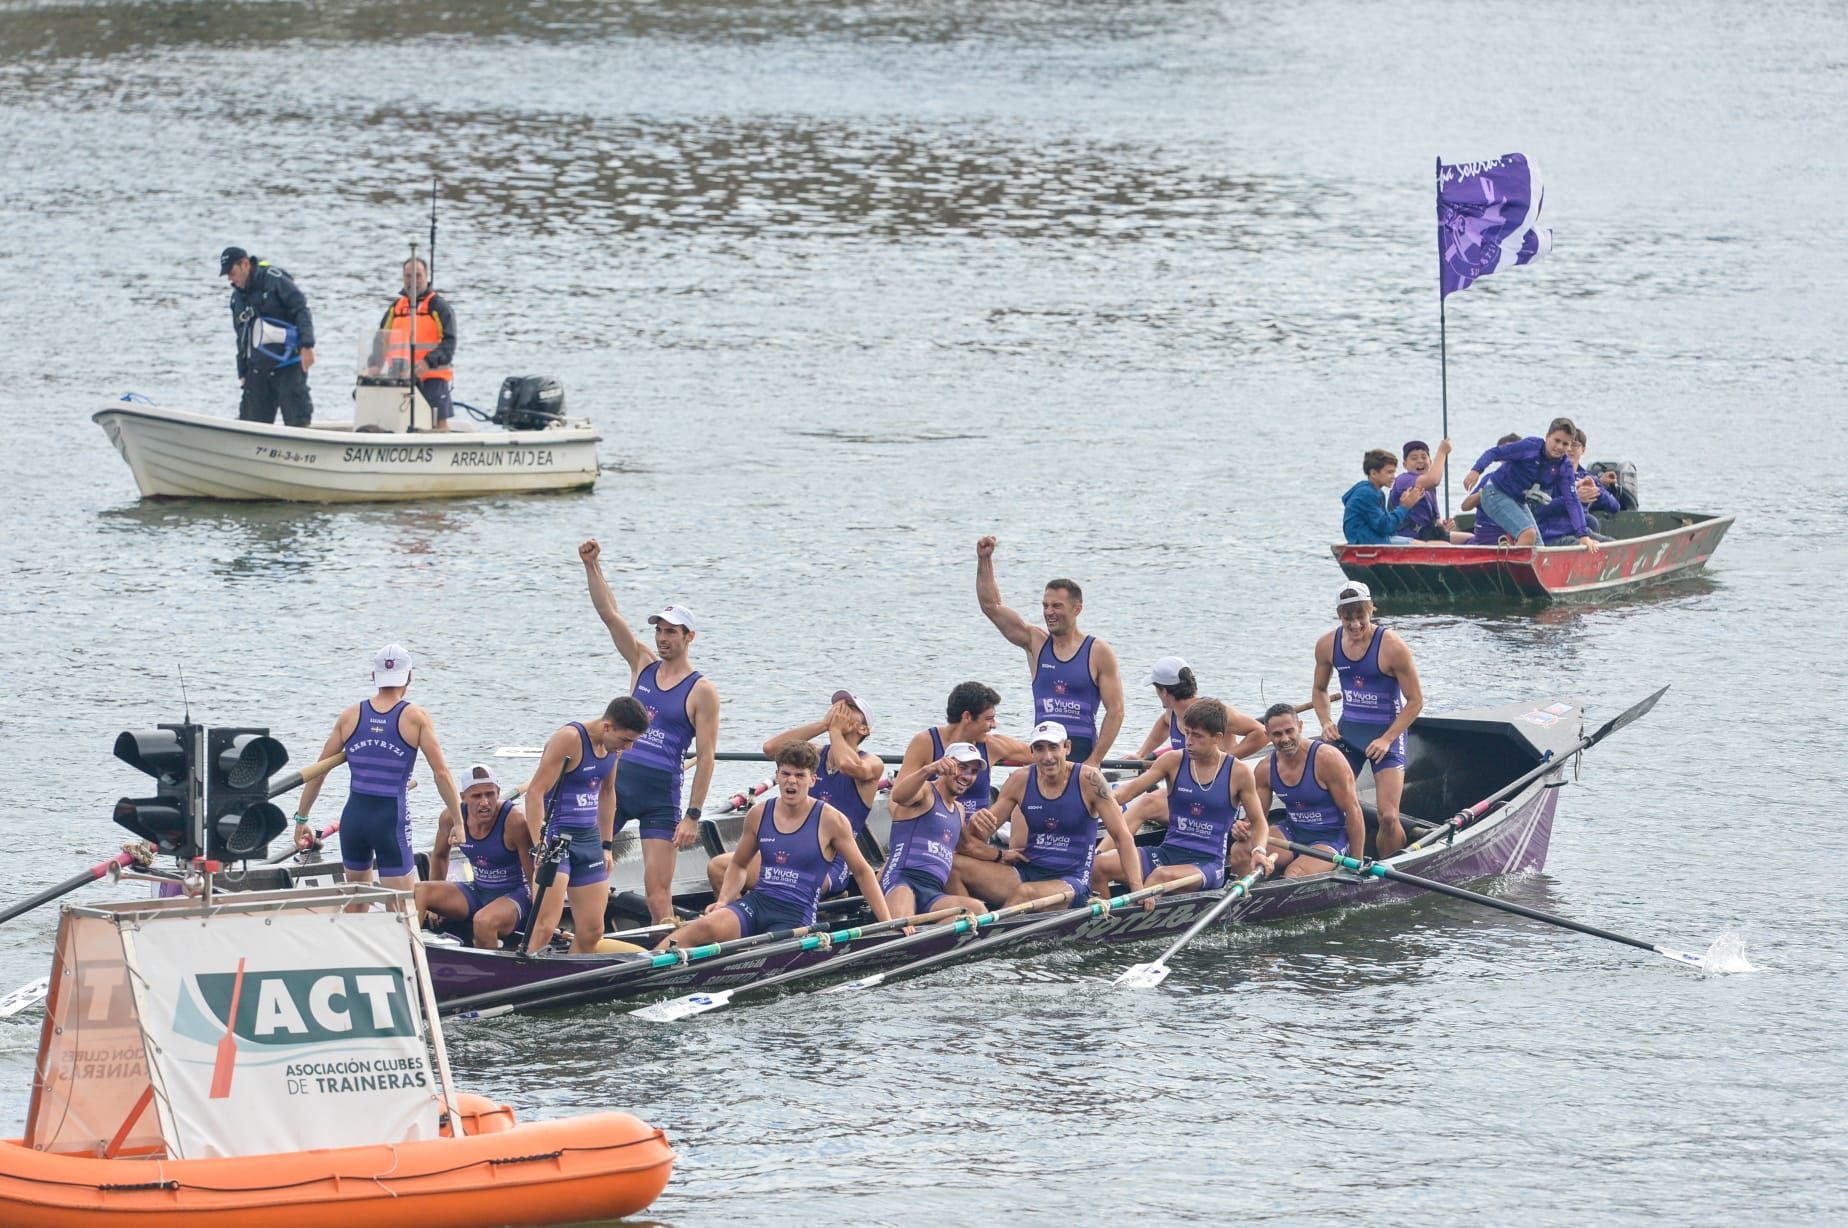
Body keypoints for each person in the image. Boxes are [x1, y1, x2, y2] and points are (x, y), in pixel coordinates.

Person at [580, 538, 721, 927]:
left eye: (671, 632)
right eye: (659, 630)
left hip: (662, 796)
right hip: (618, 786)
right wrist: (592, 566)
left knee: (658, 891)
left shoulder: (702, 691)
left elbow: (706, 758)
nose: (662, 638)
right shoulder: (641, 663)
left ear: (688, 637)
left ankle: (669, 948)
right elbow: (610, 615)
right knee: (588, 863)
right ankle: (580, 930)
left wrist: (692, 816)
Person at [658, 742, 895, 950]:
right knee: (701, 928)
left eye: (800, 775)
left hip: (796, 916)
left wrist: (887, 924)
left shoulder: (832, 820)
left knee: (762, 950)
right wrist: (724, 901)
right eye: (786, 773)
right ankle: (640, 965)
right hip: (757, 904)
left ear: (812, 779)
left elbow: (863, 873)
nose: (791, 781)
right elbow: (739, 864)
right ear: (777, 775)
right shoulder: (759, 813)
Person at [293, 644, 461, 906]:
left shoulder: (350, 716)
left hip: (354, 821)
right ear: (409, 677)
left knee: (356, 906)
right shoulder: (415, 717)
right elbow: (441, 773)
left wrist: (301, 818)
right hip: (390, 822)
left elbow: (319, 772)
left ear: (375, 677)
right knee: (401, 908)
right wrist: (459, 822)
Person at [706, 691, 884, 897]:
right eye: (838, 706)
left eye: (849, 709)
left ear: (863, 728)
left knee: (792, 880)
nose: (840, 711)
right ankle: (741, 919)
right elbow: (771, 749)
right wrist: (824, 725)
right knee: (718, 868)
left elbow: (847, 765)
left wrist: (835, 730)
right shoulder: (815, 755)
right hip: (791, 848)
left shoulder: (872, 763)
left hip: (831, 861)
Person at [957, 721, 1146, 910]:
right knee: (954, 865)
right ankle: (964, 920)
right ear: (1032, 752)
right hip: (1026, 873)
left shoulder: (1090, 780)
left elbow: (1122, 837)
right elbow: (976, 839)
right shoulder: (1019, 780)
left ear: (1067, 748)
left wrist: (1137, 888)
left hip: (1072, 881)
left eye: (1053, 747)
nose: (1047, 757)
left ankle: (986, 935)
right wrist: (975, 826)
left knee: (1026, 893)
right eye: (1039, 749)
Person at [1094, 699, 1273, 895]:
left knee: (1159, 877)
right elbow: (1126, 792)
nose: (1189, 742)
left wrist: (1259, 851)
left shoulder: (1238, 772)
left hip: (1207, 864)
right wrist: (1092, 801)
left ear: (1217, 738)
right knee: (1098, 865)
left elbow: (1259, 822)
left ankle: (1132, 916)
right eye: (1187, 733)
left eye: (1197, 736)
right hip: (1167, 853)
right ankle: (1103, 921)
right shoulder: (1173, 761)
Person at [975, 536, 1125, 766]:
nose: (1049, 612)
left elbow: (1115, 711)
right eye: (1045, 606)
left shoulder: (1098, 651)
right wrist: (985, 560)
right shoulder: (1036, 642)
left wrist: (1095, 761)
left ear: (1077, 609)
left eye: (1057, 606)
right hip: (1043, 754)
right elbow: (992, 607)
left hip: (1082, 755)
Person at [522, 697, 652, 952]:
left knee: (593, 931)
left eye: (633, 741)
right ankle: (524, 979)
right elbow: (535, 793)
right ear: (607, 727)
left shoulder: (613, 749)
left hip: (589, 841)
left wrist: (606, 846)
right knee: (545, 926)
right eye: (626, 740)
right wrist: (540, 846)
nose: (629, 748)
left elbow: (607, 792)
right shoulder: (570, 739)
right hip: (557, 840)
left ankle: (568, 978)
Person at [1312, 581, 1422, 857]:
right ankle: (1340, 858)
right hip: (1348, 734)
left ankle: (1387, 869)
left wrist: (1387, 739)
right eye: (1348, 618)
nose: (1356, 625)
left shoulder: (1393, 646)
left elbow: (1415, 701)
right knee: (1330, 802)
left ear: (1372, 610)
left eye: (1361, 616)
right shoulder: (1328, 645)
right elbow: (1319, 690)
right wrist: (1325, 721)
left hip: (1386, 736)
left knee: (1388, 816)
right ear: (1340, 616)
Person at [1124, 656, 1265, 836]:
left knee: (1145, 804)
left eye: (1156, 689)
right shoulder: (1172, 713)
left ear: (1164, 692)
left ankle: (1101, 856)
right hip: (1188, 798)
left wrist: (1226, 760)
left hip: (1217, 802)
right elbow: (1164, 724)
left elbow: (1261, 733)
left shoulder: (1214, 713)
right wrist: (1141, 754)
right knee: (1144, 803)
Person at [415, 764, 533, 949]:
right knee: (419, 892)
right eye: (476, 796)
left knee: (483, 922)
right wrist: (433, 909)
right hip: (478, 891)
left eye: (490, 794)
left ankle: (490, 973)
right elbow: (439, 857)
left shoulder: (515, 820)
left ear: (498, 792)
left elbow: (534, 875)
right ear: (462, 798)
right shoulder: (450, 817)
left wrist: (542, 922)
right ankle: (410, 958)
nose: (484, 802)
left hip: (516, 895)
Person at [878, 742, 991, 919]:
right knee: (902, 926)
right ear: (946, 765)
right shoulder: (925, 791)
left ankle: (929, 943)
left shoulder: (959, 810)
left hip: (933, 892)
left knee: (977, 911)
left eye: (974, 772)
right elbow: (898, 796)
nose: (967, 776)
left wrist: (1002, 855)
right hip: (902, 880)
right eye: (962, 767)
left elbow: (967, 846)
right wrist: (928, 770)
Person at [895, 681, 1031, 825]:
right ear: (967, 717)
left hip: (974, 838)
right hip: (935, 834)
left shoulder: (991, 745)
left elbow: (1041, 756)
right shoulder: (926, 742)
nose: (994, 725)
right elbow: (896, 800)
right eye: (989, 719)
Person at [1253, 704, 1366, 879]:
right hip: (1292, 832)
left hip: (1330, 837)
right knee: (1242, 850)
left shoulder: (1328, 759)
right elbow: (1257, 818)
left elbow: (1354, 811)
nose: (1285, 739)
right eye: (1277, 734)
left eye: (1289, 731)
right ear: (1268, 736)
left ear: (1300, 727)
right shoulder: (1264, 768)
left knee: (1294, 873)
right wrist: (1243, 826)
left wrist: (1357, 863)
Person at [1462, 417, 1600, 550]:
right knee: (1528, 534)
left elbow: (1572, 501)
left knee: (1539, 548)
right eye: (1556, 440)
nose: (1559, 447)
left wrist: (1583, 535)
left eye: (1565, 444)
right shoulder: (1530, 447)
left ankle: (1525, 569)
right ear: (1547, 437)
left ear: (1570, 446)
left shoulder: (1564, 467)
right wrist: (1476, 470)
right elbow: (1494, 452)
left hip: (1518, 500)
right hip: (1495, 493)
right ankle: (1509, 570)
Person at [221, 245, 315, 427]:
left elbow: (301, 309)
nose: (230, 279)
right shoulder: (237, 298)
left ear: (245, 264)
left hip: (288, 364)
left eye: (232, 273)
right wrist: (242, 370)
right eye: (227, 275)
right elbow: (241, 337)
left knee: (297, 420)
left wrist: (307, 345)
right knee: (250, 425)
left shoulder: (274, 280)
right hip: (258, 369)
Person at [373, 256, 458, 431]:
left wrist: (428, 362)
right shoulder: (395, 308)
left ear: (426, 276)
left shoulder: (439, 307)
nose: (413, 281)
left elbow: (449, 343)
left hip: (432, 377)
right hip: (400, 377)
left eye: (417, 275)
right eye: (408, 276)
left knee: (438, 422)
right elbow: (381, 339)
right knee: (395, 421)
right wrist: (374, 365)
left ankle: (443, 448)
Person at [1536, 427, 1620, 544]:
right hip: (1554, 531)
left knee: (1610, 542)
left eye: (1575, 445)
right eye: (1567, 445)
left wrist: (1597, 491)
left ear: (1583, 450)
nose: (1570, 449)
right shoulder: (1550, 474)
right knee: (1589, 527)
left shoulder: (1586, 477)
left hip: (1579, 529)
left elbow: (1615, 507)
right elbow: (1539, 509)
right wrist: (1574, 497)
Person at [1390, 440, 1471, 544]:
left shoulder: (1430, 488)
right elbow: (1434, 479)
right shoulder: (1403, 479)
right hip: (1408, 536)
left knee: (1470, 538)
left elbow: (1436, 521)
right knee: (1444, 545)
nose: (1420, 461)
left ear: (1430, 462)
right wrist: (1442, 452)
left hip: (1428, 534)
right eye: (1414, 458)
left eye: (1424, 457)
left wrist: (1443, 526)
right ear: (1405, 464)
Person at [1343, 449, 1426, 545]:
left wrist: (1403, 505)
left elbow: (1387, 526)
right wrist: (1404, 507)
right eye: (1389, 472)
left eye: (1394, 472)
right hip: (1365, 541)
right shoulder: (1366, 493)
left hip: (1375, 538)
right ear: (1374, 473)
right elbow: (1384, 526)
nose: (1394, 477)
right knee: (1424, 546)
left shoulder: (1378, 493)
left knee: (1427, 543)